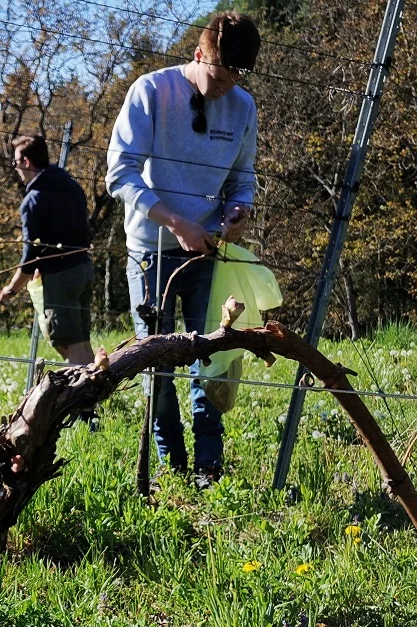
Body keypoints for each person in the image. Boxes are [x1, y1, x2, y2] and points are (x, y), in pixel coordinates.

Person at [105, 11, 260, 487]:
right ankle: (170, 464)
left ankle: (208, 468)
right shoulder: (151, 92)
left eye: (239, 75)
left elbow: (243, 179)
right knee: (158, 360)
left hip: (209, 254)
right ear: (198, 55)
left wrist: (239, 211)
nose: (227, 85)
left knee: (211, 357)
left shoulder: (243, 106)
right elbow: (120, 173)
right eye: (221, 73)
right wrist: (175, 223)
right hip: (152, 253)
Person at [0, 135, 95, 366]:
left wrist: (12, 288)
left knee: (69, 345)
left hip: (60, 278)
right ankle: (92, 397)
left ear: (26, 162)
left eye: (16, 162)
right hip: (83, 269)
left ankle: (82, 401)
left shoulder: (33, 200)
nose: (16, 168)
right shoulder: (72, 186)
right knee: (82, 343)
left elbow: (31, 255)